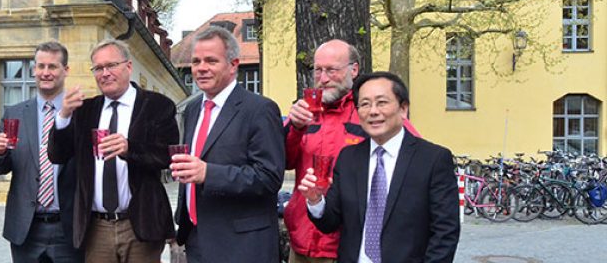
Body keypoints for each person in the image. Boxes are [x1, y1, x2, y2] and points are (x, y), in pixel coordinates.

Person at [298, 72, 460, 263]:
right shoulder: (348, 158)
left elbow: (445, 232)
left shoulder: (432, 159)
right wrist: (316, 200)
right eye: (365, 104)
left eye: (382, 102)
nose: (373, 111)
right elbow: (331, 222)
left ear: (403, 109)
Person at [284, 40, 420, 263]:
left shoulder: (371, 113)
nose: (323, 78)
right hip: (303, 241)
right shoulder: (305, 112)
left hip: (351, 246)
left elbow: (417, 160)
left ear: (353, 70)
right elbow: (283, 162)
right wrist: (295, 128)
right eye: (318, 70)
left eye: (331, 70)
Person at [47, 39, 178, 263]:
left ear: (128, 66)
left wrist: (130, 148)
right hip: (97, 227)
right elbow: (57, 155)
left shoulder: (157, 105)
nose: (105, 73)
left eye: (111, 65)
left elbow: (168, 155)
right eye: (98, 68)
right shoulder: (86, 110)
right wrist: (63, 116)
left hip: (139, 223)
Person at [171, 26, 285, 263]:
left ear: (233, 65)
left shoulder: (260, 109)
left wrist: (208, 173)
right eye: (196, 61)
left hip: (242, 246)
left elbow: (269, 177)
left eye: (211, 61)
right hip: (196, 239)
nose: (201, 68)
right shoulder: (192, 109)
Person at [0, 41, 84, 262]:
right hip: (26, 228)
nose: (45, 72)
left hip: (68, 228)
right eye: (41, 66)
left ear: (66, 70)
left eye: (53, 66)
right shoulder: (15, 113)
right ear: (34, 69)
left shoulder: (81, 113)